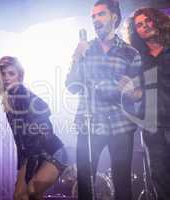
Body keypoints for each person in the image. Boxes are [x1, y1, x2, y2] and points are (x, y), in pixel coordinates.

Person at [65, 0, 143, 199]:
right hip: (89, 123)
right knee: (84, 181)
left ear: (114, 17)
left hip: (121, 125)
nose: (95, 20)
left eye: (100, 14)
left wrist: (129, 91)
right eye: (93, 16)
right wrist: (76, 57)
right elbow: (72, 86)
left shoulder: (130, 53)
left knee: (122, 183)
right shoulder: (85, 49)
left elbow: (137, 93)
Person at [0, 56, 69, 200]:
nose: (6, 78)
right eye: (3, 74)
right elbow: (20, 141)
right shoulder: (10, 100)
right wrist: (22, 168)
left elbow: (45, 112)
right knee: (19, 196)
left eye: (11, 74)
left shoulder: (23, 94)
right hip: (30, 155)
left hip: (52, 153)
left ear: (20, 76)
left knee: (32, 190)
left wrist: (29, 169)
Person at [126, 8, 170, 200]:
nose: (144, 26)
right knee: (159, 177)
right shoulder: (137, 60)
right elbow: (134, 93)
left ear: (157, 21)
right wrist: (132, 93)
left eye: (148, 21)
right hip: (153, 127)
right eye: (139, 25)